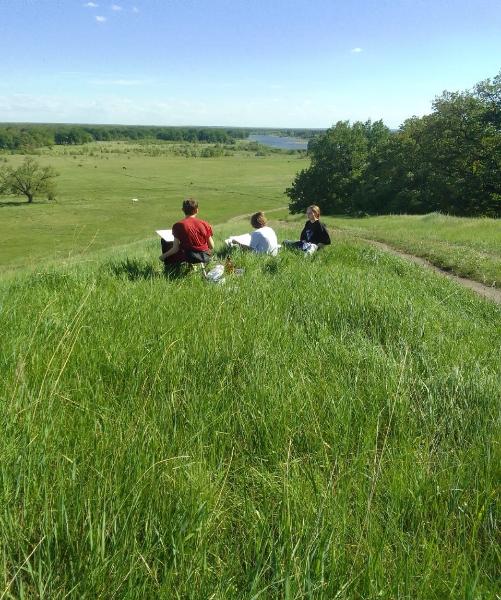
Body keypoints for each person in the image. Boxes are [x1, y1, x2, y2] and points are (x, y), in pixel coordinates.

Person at [159, 198, 214, 265]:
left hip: (188, 256)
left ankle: (170, 269)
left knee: (165, 242)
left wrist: (163, 256)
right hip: (205, 256)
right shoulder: (205, 224)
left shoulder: (178, 225)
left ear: (183, 210)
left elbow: (175, 249)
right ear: (197, 210)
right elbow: (211, 246)